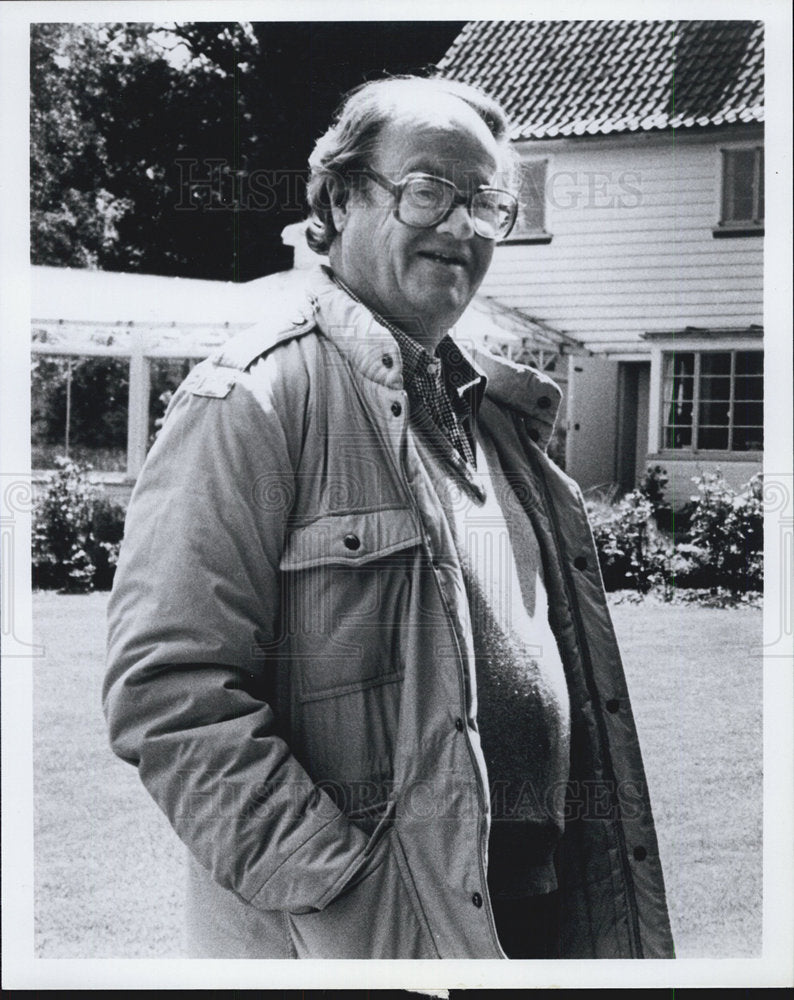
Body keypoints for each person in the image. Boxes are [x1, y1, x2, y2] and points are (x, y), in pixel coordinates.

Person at [103, 75, 675, 960]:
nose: (459, 226)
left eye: (487, 204)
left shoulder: (501, 421)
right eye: (428, 190)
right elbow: (170, 695)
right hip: (363, 938)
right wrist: (346, 886)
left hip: (535, 916)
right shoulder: (252, 400)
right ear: (340, 197)